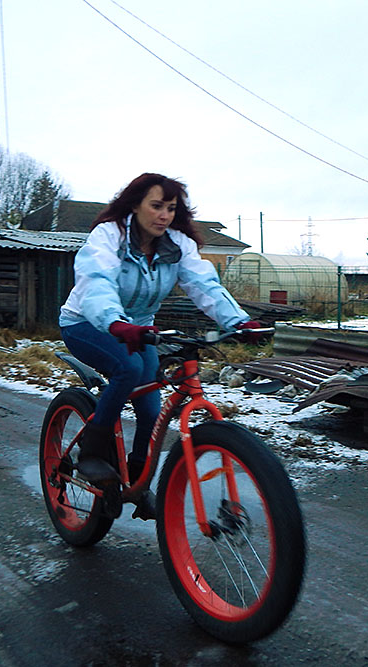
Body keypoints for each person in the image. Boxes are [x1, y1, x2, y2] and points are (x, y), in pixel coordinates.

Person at [59, 173, 262, 519]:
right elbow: (96, 281)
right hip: (88, 321)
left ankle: (136, 482)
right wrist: (115, 321)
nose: (164, 215)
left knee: (152, 410)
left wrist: (238, 320)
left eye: (170, 208)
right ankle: (91, 452)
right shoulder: (109, 236)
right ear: (135, 205)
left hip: (137, 328)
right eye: (156, 206)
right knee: (129, 369)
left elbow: (204, 284)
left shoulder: (177, 245)